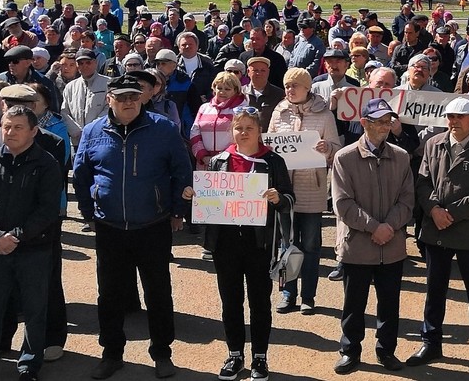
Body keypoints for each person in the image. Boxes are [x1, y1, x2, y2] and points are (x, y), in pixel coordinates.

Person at [72, 74, 193, 380]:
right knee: (109, 294)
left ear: (142, 98)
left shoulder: (162, 128)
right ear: (108, 99)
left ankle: (162, 353)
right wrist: (88, 210)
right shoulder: (92, 130)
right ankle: (112, 353)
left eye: (133, 96)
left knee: (158, 293)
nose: (128, 102)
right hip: (109, 226)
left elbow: (182, 170)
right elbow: (81, 172)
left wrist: (178, 209)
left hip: (152, 224)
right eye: (121, 97)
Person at [185, 106, 294, 381]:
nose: (243, 133)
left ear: (260, 132)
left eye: (249, 128)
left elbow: (290, 199)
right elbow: (208, 199)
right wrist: (194, 195)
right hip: (226, 243)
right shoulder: (218, 161)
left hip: (260, 244)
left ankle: (260, 357)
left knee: (260, 302)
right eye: (239, 128)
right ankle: (234, 354)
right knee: (230, 301)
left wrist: (278, 198)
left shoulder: (273, 161)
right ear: (231, 130)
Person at [0, 106, 63, 381]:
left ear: (34, 131)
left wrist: (15, 236)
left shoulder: (46, 163)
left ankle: (29, 367)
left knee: (34, 311)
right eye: (7, 126)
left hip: (34, 250)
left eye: (18, 127)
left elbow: (46, 211)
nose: (10, 132)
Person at [408, 96, 469, 371]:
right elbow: (423, 182)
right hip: (435, 229)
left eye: (459, 117)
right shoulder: (433, 144)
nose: (453, 122)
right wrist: (434, 210)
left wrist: (453, 213)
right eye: (450, 117)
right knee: (434, 291)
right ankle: (431, 342)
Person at [330, 97, 415, 374]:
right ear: (364, 123)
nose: (385, 127)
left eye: (388, 121)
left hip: (391, 246)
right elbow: (343, 204)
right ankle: (350, 350)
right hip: (358, 247)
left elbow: (407, 201)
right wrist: (373, 227)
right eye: (379, 121)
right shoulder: (344, 157)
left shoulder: (401, 157)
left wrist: (388, 226)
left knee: (389, 304)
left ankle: (386, 351)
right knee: (354, 305)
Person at [266, 67, 340, 314]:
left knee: (310, 245)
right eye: (287, 85)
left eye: (295, 85)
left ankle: (308, 295)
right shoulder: (279, 111)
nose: (289, 89)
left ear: (307, 88)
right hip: (284, 191)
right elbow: (270, 147)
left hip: (312, 188)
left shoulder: (325, 114)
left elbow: (336, 149)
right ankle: (288, 293)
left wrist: (326, 147)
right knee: (286, 244)